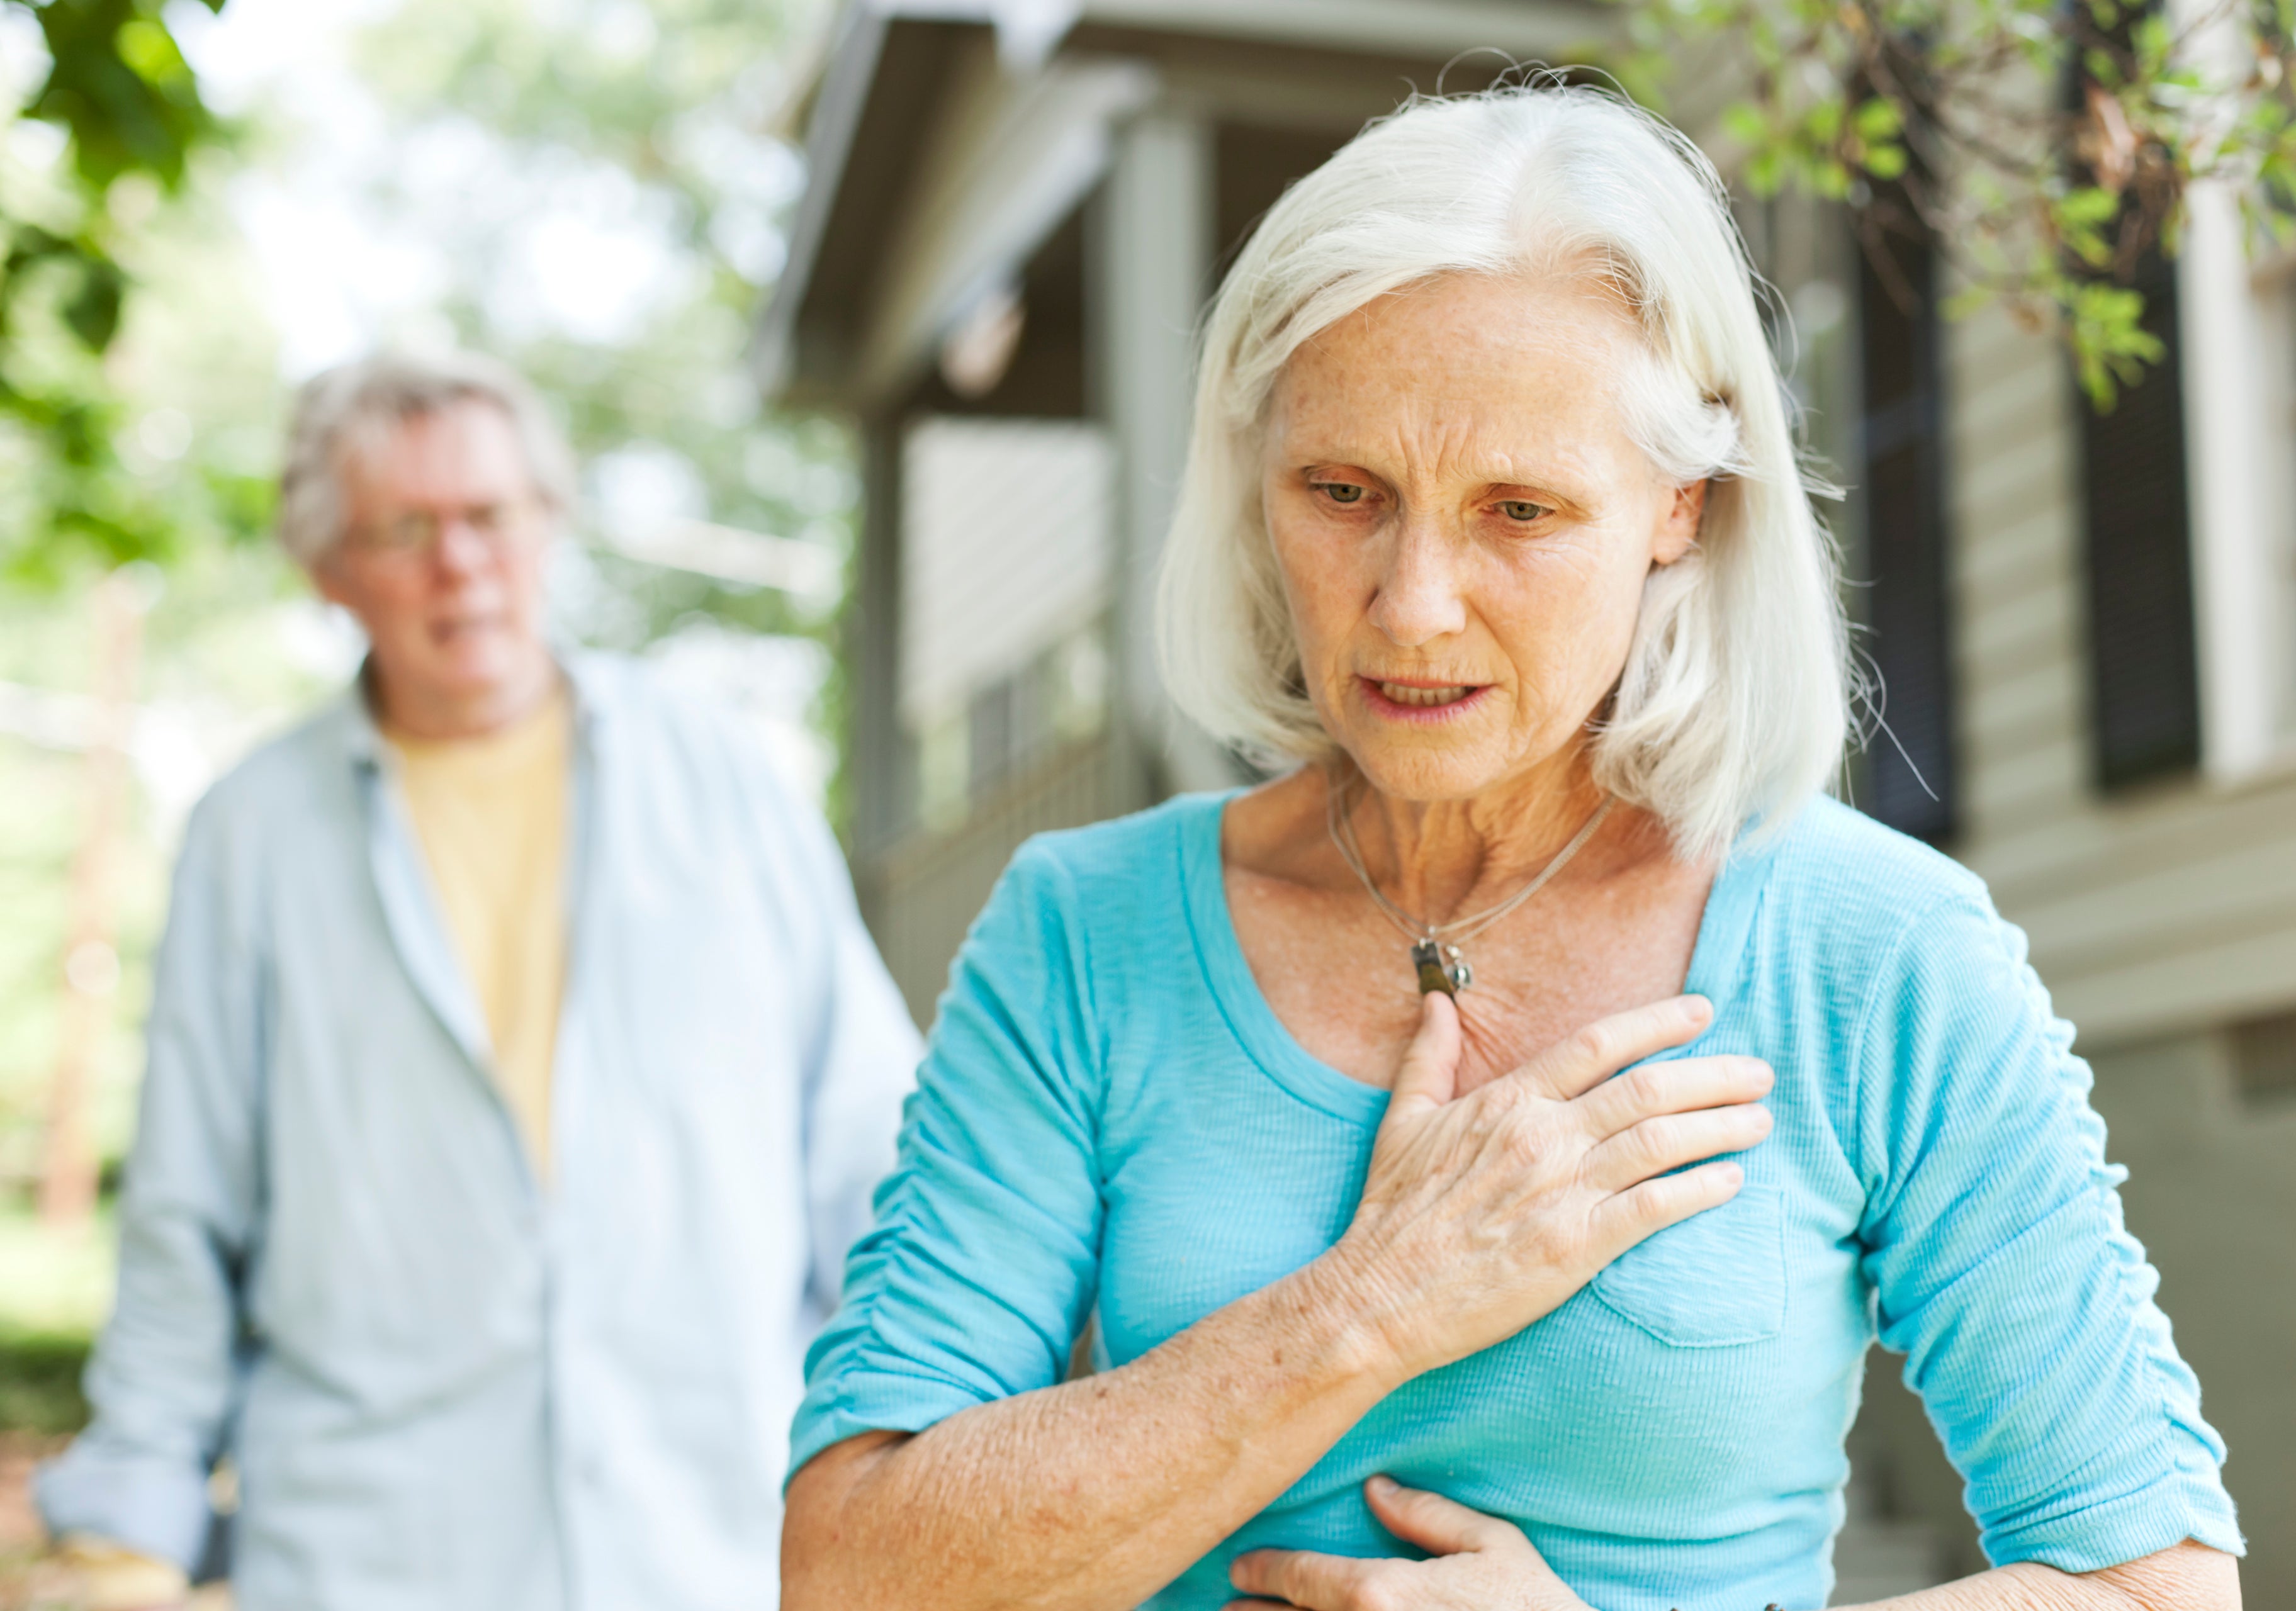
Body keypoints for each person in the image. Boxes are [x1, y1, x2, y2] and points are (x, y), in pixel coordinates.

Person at [777, 86, 2245, 1611]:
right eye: (1342, 492)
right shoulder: (1087, 929)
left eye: (1520, 510)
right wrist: (1371, 1302)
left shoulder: (1875, 951)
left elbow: (2156, 1587)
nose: (1413, 603)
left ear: (1681, 507)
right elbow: (848, 1571)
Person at [36, 351, 921, 1611]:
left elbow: (873, 1157)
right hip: (369, 1561)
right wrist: (132, 1522)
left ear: (549, 522)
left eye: (490, 515)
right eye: (406, 530)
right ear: (329, 569)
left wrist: (922, 1447)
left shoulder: (724, 779)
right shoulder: (251, 834)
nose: (460, 563)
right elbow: (187, 1209)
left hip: (714, 1545)